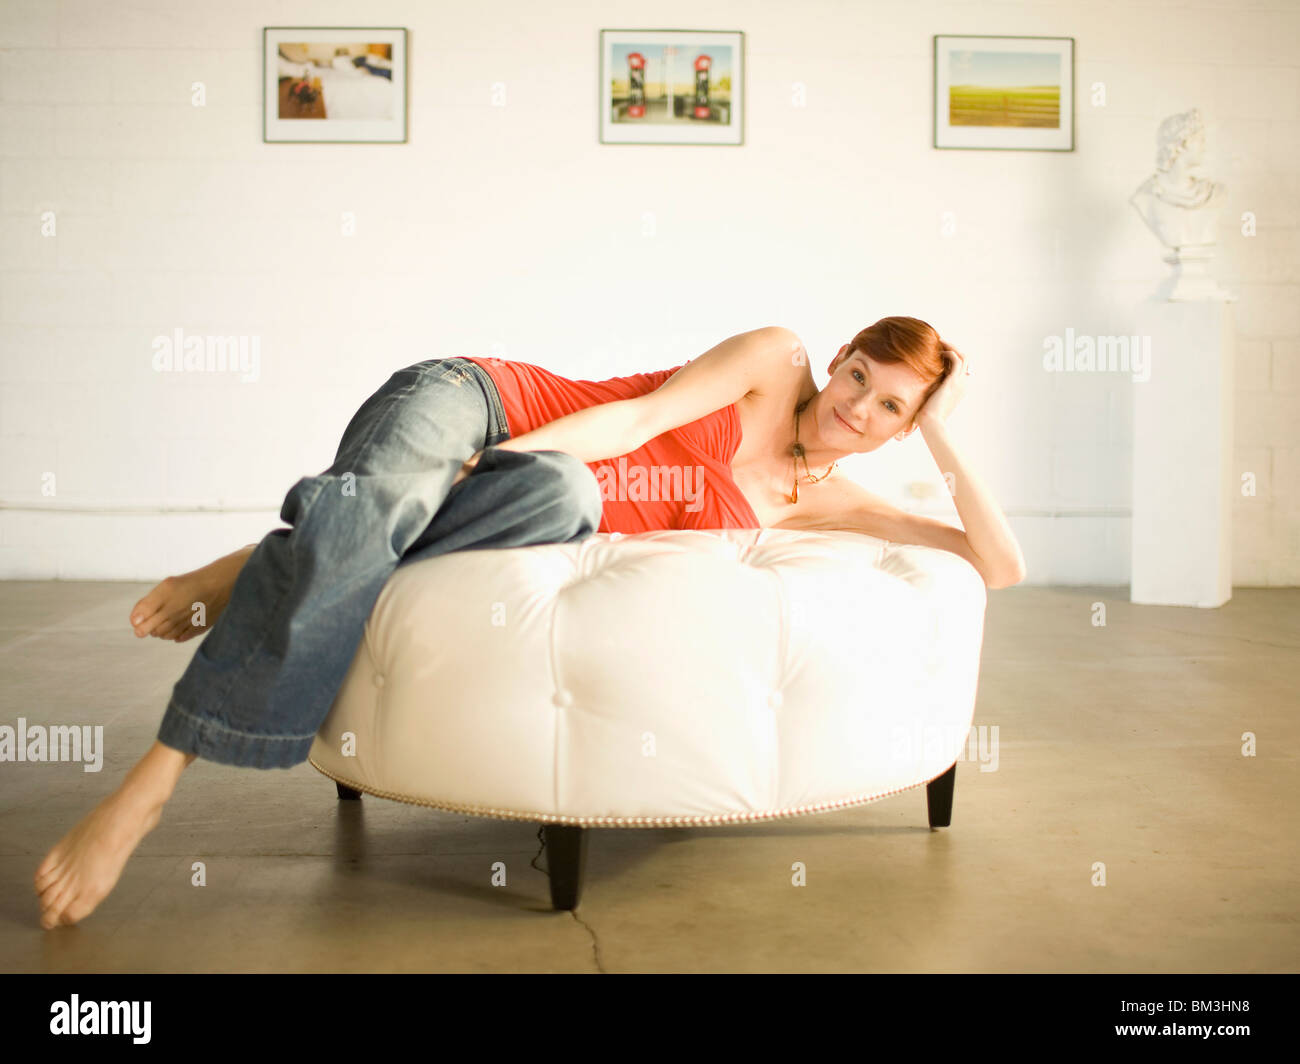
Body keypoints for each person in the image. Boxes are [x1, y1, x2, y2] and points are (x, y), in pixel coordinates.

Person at [34, 318, 1025, 929]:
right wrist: (484, 464)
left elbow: (997, 564)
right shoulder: (775, 359)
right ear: (840, 356)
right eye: (860, 375)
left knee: (536, 501)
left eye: (891, 407)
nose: (858, 405)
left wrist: (941, 426)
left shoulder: (828, 500)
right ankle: (151, 785)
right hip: (484, 406)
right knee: (530, 481)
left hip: (544, 506)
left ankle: (257, 562)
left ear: (904, 429)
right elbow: (632, 425)